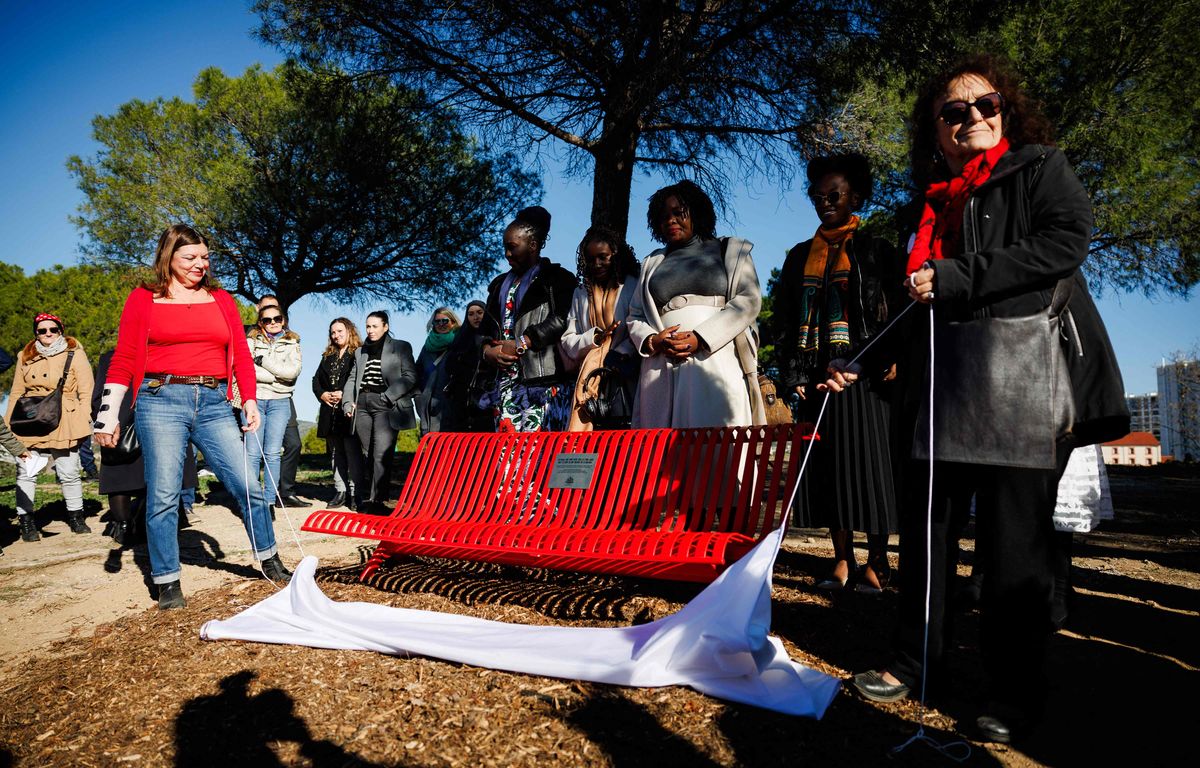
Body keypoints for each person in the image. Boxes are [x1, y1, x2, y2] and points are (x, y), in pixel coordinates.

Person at [836, 55, 1129, 743]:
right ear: (934, 130)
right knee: (930, 531)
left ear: (1005, 110)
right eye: (954, 111)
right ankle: (916, 662)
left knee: (1013, 545)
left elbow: (1065, 243)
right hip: (936, 382)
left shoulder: (1037, 169)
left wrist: (961, 274)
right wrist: (862, 359)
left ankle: (1013, 690)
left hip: (1016, 378)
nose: (972, 117)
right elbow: (915, 303)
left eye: (986, 104)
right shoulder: (924, 207)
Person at [95, 224, 290, 610]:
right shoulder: (143, 298)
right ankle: (167, 581)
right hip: (160, 399)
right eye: (190, 258)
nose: (200, 264)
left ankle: (270, 559)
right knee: (164, 494)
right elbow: (124, 358)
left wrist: (248, 399)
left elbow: (241, 356)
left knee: (247, 485)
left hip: (215, 401)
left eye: (204, 257)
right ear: (168, 257)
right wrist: (106, 415)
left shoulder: (220, 299)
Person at [775, 154, 900, 593]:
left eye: (834, 195)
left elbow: (894, 312)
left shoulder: (877, 250)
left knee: (870, 466)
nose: (824, 203)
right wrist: (794, 376)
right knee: (828, 469)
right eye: (817, 196)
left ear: (857, 197)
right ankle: (842, 558)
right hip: (814, 372)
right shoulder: (797, 256)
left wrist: (889, 359)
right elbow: (786, 320)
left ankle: (878, 560)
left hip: (864, 371)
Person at [626, 181, 763, 428]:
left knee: (719, 445)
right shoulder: (652, 262)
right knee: (666, 456)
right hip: (661, 368)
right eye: (663, 216)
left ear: (698, 213)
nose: (670, 220)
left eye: (679, 213)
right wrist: (653, 340)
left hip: (716, 358)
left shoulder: (729, 249)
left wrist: (700, 337)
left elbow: (748, 299)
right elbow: (635, 314)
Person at [477, 206, 577, 432]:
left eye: (512, 247)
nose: (507, 254)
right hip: (503, 384)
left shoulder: (558, 279)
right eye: (505, 248)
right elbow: (484, 330)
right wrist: (487, 351)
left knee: (541, 455)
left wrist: (522, 343)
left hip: (543, 384)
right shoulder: (498, 285)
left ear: (533, 245)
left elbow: (563, 319)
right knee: (507, 458)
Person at [5, 313, 95, 540]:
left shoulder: (75, 354)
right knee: (26, 472)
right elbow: (16, 391)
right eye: (41, 330)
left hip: (64, 417)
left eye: (52, 329)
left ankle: (76, 517)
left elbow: (87, 391)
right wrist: (8, 424)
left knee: (69, 471)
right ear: (36, 333)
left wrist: (83, 419)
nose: (47, 334)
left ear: (60, 330)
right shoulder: (24, 356)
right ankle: (26, 522)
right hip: (30, 418)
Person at [559, 226, 640, 431]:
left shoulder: (632, 285)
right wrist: (595, 338)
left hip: (628, 375)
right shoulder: (580, 292)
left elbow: (640, 323)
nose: (597, 264)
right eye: (591, 258)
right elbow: (567, 339)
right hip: (590, 380)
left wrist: (619, 354)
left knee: (626, 437)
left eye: (603, 257)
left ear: (616, 255)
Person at [341, 310, 416, 512]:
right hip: (362, 405)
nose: (371, 330)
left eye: (375, 326)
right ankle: (372, 499)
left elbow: (410, 376)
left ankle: (377, 501)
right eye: (368, 326)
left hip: (386, 403)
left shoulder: (401, 347)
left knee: (382, 453)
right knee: (370, 453)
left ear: (386, 326)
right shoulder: (360, 351)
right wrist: (348, 403)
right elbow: (352, 378)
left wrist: (388, 396)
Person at [246, 305, 302, 509]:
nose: (272, 323)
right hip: (255, 400)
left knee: (272, 453)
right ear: (260, 323)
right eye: (267, 320)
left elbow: (292, 373)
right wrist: (275, 376)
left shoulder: (293, 341)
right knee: (253, 453)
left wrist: (264, 363)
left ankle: (269, 501)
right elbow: (246, 370)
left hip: (280, 402)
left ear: (283, 320)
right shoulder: (250, 342)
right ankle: (252, 501)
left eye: (277, 319)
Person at [311, 317, 361, 509]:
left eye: (340, 331)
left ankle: (355, 493)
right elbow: (316, 380)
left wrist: (346, 394)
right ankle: (340, 491)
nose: (336, 335)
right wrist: (322, 394)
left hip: (349, 410)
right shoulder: (327, 356)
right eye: (333, 332)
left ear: (349, 331)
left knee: (352, 453)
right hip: (329, 412)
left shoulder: (358, 353)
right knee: (335, 453)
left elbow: (360, 380)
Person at [440, 300, 491, 432]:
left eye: (480, 313)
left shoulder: (493, 336)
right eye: (471, 314)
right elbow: (449, 366)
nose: (476, 317)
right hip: (460, 400)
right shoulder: (460, 338)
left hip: (485, 398)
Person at [414, 308, 460, 436]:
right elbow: (417, 372)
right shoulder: (427, 346)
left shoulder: (461, 341)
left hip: (453, 405)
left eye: (445, 321)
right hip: (431, 408)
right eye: (437, 321)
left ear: (453, 322)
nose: (441, 324)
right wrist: (419, 397)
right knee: (434, 450)